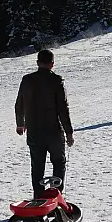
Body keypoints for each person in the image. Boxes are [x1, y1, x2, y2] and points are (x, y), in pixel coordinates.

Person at [15, 49, 74, 199]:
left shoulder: (27, 80)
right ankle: (56, 198)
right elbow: (63, 108)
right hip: (53, 131)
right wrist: (69, 132)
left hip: (34, 131)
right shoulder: (57, 80)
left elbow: (19, 103)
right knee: (59, 163)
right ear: (52, 64)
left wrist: (20, 124)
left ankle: (38, 198)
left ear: (37, 63)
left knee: (37, 166)